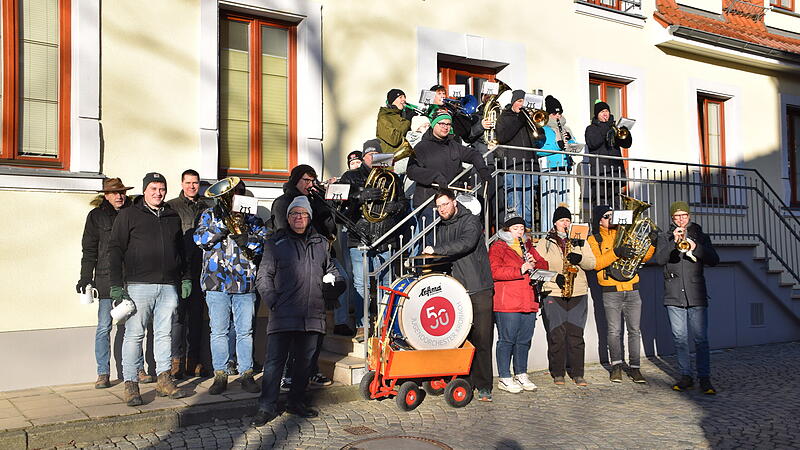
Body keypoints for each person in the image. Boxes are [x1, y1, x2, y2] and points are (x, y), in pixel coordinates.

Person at [252, 196, 341, 426]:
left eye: (303, 213)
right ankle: (266, 407)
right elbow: (263, 277)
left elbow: (332, 270)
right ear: (288, 217)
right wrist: (274, 302)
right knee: (274, 363)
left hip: (313, 314)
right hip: (283, 313)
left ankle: (296, 402)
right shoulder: (275, 242)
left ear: (309, 217)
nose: (298, 218)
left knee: (305, 364)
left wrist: (336, 284)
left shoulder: (322, 243)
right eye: (294, 214)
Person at [109, 172, 188, 406]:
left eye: (162, 189)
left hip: (168, 286)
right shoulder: (129, 215)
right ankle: (131, 383)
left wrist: (185, 277)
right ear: (144, 190)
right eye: (153, 188)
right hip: (138, 285)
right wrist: (116, 284)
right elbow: (115, 249)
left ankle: (164, 378)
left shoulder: (172, 216)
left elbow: (180, 251)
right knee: (135, 334)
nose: (158, 193)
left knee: (164, 333)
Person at [193, 178, 267, 395]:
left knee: (245, 331)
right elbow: (199, 239)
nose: (235, 196)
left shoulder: (252, 217)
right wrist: (222, 225)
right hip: (216, 282)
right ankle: (220, 374)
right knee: (218, 331)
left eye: (240, 191)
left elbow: (264, 244)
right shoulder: (209, 214)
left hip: (245, 282)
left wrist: (247, 239)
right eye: (232, 192)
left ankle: (246, 374)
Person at [422, 189, 494, 402]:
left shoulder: (471, 220)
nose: (442, 209)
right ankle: (465, 381)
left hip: (478, 288)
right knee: (461, 339)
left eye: (445, 204)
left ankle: (484, 386)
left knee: (482, 339)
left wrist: (437, 249)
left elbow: (465, 243)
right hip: (457, 290)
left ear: (454, 202)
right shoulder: (442, 227)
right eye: (439, 206)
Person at [270, 164, 338, 389]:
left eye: (312, 180)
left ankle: (311, 369)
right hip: (293, 268)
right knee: (293, 331)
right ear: (295, 180)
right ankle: (287, 374)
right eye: (306, 180)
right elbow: (284, 233)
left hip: (317, 265)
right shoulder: (283, 202)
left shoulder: (314, 201)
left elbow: (330, 229)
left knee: (315, 329)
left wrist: (327, 206)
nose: (310, 184)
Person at [338, 142, 409, 339]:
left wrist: (395, 207)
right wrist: (359, 195)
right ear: (363, 157)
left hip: (386, 236)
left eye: (377, 154)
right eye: (370, 154)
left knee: (385, 282)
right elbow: (339, 201)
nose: (373, 157)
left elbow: (403, 203)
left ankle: (384, 324)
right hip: (359, 236)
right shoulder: (350, 176)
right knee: (361, 284)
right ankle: (362, 324)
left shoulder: (392, 177)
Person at [78, 178, 138, 389]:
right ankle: (103, 372)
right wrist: (85, 277)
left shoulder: (133, 212)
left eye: (122, 192)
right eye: (114, 193)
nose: (119, 196)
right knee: (104, 327)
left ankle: (137, 369)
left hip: (131, 277)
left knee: (135, 327)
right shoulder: (96, 216)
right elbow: (89, 250)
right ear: (106, 195)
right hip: (105, 279)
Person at [654, 201, 719, 394]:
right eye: (677, 216)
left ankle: (704, 378)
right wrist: (673, 244)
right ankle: (686, 376)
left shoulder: (700, 235)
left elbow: (714, 260)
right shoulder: (665, 237)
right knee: (680, 339)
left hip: (696, 294)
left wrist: (696, 247)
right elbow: (659, 260)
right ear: (672, 218)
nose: (681, 219)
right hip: (674, 295)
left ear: (689, 216)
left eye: (684, 215)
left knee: (701, 339)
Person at [587, 205, 656, 384]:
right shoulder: (594, 239)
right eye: (606, 216)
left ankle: (635, 368)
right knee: (614, 331)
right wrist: (616, 252)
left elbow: (642, 257)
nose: (611, 219)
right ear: (599, 220)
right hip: (611, 290)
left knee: (634, 331)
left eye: (612, 215)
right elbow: (597, 263)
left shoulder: (625, 234)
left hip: (632, 288)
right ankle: (616, 366)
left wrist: (652, 244)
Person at [535, 205, 596, 386]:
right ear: (555, 222)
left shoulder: (580, 241)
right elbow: (537, 266)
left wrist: (580, 259)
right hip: (554, 291)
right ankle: (558, 373)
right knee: (557, 335)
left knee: (576, 334)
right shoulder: (545, 242)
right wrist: (555, 277)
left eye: (568, 220)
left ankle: (578, 373)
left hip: (578, 291)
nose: (565, 223)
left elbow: (592, 263)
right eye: (562, 220)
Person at [488, 213, 548, 393]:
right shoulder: (498, 247)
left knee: (524, 340)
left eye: (522, 228)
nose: (519, 232)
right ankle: (504, 376)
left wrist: (535, 263)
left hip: (528, 300)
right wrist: (520, 269)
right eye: (515, 229)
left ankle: (521, 373)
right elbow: (494, 271)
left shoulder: (528, 246)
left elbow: (544, 264)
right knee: (507, 340)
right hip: (508, 302)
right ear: (507, 230)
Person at [406, 111, 491, 231]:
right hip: (429, 203)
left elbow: (473, 154)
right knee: (430, 239)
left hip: (450, 202)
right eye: (442, 123)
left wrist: (483, 170)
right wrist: (434, 176)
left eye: (448, 124)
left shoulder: (453, 145)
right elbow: (411, 170)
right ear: (433, 125)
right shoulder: (421, 146)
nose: (445, 127)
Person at [166, 169, 212, 379]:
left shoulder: (207, 206)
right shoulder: (172, 206)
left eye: (195, 183)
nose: (192, 186)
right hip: (179, 270)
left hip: (201, 269)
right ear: (182, 183)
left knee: (196, 318)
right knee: (178, 318)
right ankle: (176, 361)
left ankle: (194, 361)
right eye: (188, 182)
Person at [495, 89, 541, 229]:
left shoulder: (528, 119)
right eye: (519, 101)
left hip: (530, 166)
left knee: (528, 206)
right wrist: (520, 120)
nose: (522, 104)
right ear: (513, 102)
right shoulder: (504, 117)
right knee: (515, 205)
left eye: (524, 102)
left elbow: (540, 138)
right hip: (513, 166)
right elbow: (502, 137)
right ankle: (514, 233)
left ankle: (527, 233)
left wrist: (534, 122)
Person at [538, 95, 579, 232]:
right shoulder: (544, 128)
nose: (558, 116)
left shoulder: (566, 128)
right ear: (548, 114)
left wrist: (571, 142)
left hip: (564, 167)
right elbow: (539, 149)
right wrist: (557, 145)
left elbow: (573, 146)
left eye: (559, 113)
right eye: (554, 113)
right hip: (549, 167)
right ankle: (547, 232)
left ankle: (562, 232)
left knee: (563, 203)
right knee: (549, 203)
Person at [584, 101, 632, 207]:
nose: (605, 114)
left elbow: (626, 144)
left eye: (606, 111)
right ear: (597, 115)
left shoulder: (614, 128)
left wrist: (626, 133)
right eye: (602, 112)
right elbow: (593, 143)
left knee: (616, 204)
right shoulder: (591, 128)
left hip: (615, 172)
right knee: (600, 205)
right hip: (600, 173)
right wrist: (606, 128)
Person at [376, 88, 412, 154]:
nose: (404, 100)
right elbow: (394, 140)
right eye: (400, 97)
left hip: (408, 156)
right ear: (392, 101)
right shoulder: (384, 118)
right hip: (393, 157)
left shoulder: (402, 114)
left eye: (404, 97)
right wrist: (407, 121)